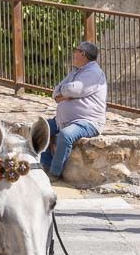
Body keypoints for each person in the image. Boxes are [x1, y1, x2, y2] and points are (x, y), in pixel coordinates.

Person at [41, 41, 107, 179]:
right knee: (42, 128)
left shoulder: (93, 73)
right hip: (64, 120)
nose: (73, 53)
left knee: (65, 136)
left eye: (76, 50)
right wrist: (65, 96)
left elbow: (73, 89)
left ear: (83, 54)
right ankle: (44, 166)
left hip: (87, 122)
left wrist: (66, 94)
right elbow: (57, 91)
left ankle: (54, 173)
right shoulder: (76, 71)